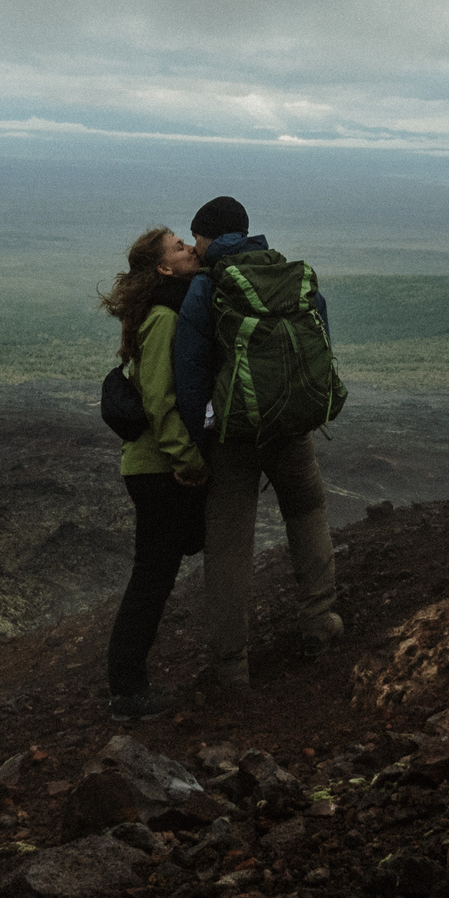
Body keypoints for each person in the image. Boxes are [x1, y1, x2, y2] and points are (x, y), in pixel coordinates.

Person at [173, 195, 341, 691]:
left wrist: (195, 441)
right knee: (307, 513)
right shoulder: (290, 276)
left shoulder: (208, 287)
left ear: (208, 236)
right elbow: (321, 343)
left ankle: (232, 664)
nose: (196, 248)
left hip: (232, 436)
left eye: (196, 238)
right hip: (291, 426)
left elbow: (190, 371)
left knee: (228, 545)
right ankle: (319, 624)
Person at [97, 225, 209, 721]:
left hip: (149, 467)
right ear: (164, 267)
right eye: (179, 248)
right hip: (157, 467)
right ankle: (127, 691)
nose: (189, 249)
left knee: (156, 571)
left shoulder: (161, 309)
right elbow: (161, 401)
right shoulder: (164, 316)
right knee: (151, 578)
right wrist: (187, 463)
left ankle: (127, 684)